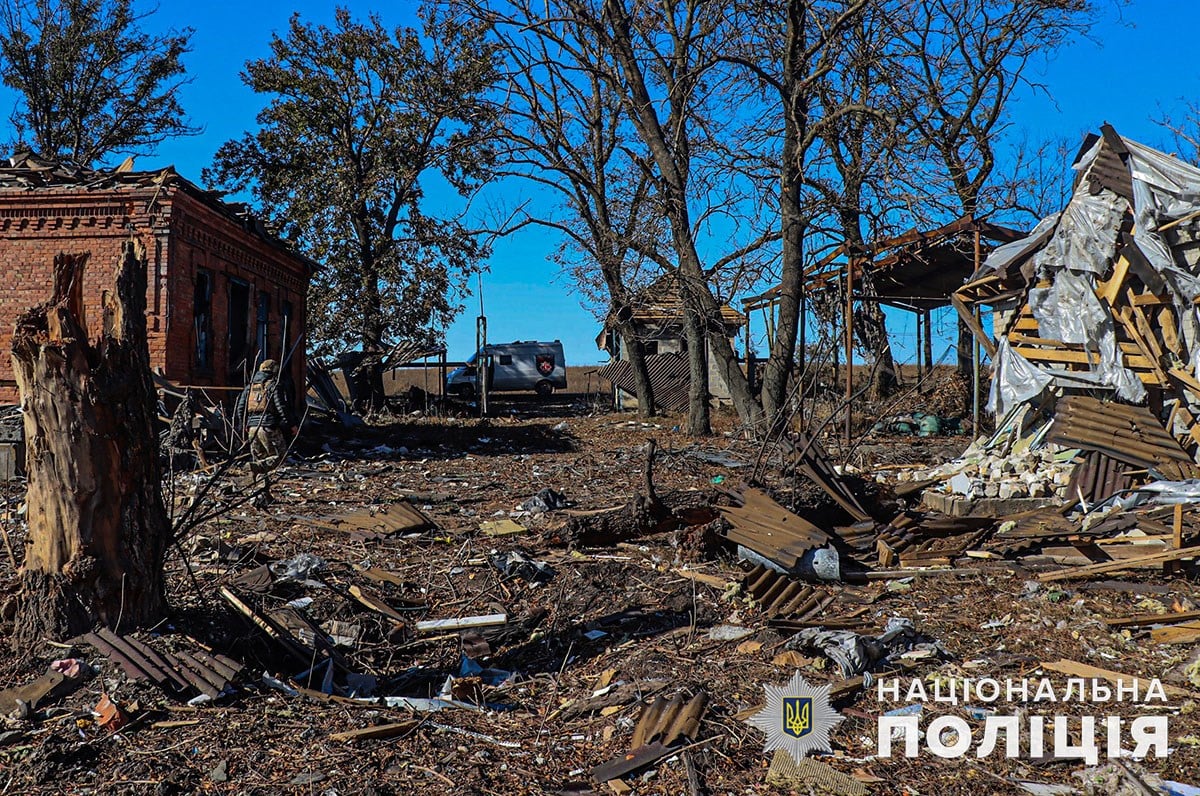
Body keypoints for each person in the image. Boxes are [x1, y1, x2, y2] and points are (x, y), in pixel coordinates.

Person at [235, 359, 298, 504]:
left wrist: (244, 424)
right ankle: (255, 467)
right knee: (279, 456)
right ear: (274, 370)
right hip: (268, 427)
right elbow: (281, 407)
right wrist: (291, 424)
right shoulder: (274, 385)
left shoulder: (250, 386)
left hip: (252, 429)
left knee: (261, 458)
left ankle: (263, 495)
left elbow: (240, 407)